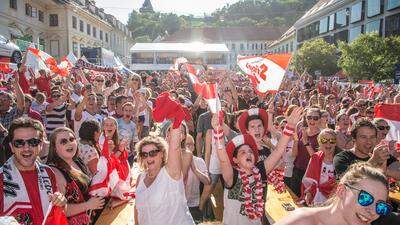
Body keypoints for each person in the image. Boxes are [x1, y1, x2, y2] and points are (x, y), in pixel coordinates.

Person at [213, 106, 302, 225]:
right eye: (243, 152)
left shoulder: (260, 171)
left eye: (251, 151)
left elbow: (278, 151)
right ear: (235, 160)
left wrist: (290, 126)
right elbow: (223, 157)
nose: (248, 153)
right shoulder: (232, 176)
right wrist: (218, 131)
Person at [134, 95, 195, 225]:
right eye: (144, 154)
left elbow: (175, 147)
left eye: (153, 153)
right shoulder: (140, 178)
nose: (149, 157)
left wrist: (176, 122)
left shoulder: (170, 173)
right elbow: (137, 210)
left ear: (162, 154)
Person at [274, 163, 393, 225]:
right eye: (365, 198)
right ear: (342, 191)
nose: (373, 211)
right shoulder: (303, 221)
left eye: (380, 206)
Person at [0, 117, 67, 225]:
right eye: (19, 143)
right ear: (11, 147)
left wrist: (62, 202)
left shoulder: (48, 172)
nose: (26, 148)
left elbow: (56, 212)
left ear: (41, 145)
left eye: (33, 142)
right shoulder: (1, 177)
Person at [47, 127, 105, 225]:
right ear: (55, 148)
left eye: (71, 139)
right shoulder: (54, 172)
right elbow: (60, 209)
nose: (69, 143)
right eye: (63, 141)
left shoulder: (77, 160)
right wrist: (88, 205)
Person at [333, 119, 400, 181]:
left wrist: (384, 170)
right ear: (353, 138)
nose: (368, 142)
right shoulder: (342, 157)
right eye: (363, 137)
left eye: (372, 137)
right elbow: (347, 179)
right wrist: (373, 161)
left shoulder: (380, 155)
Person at [301, 129, 338, 206]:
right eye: (324, 140)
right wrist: (308, 193)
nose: (328, 143)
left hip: (335, 201)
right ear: (319, 142)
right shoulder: (315, 158)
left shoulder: (341, 159)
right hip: (317, 200)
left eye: (332, 140)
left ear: (335, 143)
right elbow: (309, 182)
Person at [185, 135, 211, 223]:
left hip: (194, 205)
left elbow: (207, 182)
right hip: (178, 205)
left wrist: (195, 170)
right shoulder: (175, 162)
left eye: (191, 145)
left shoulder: (199, 161)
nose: (189, 148)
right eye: (186, 145)